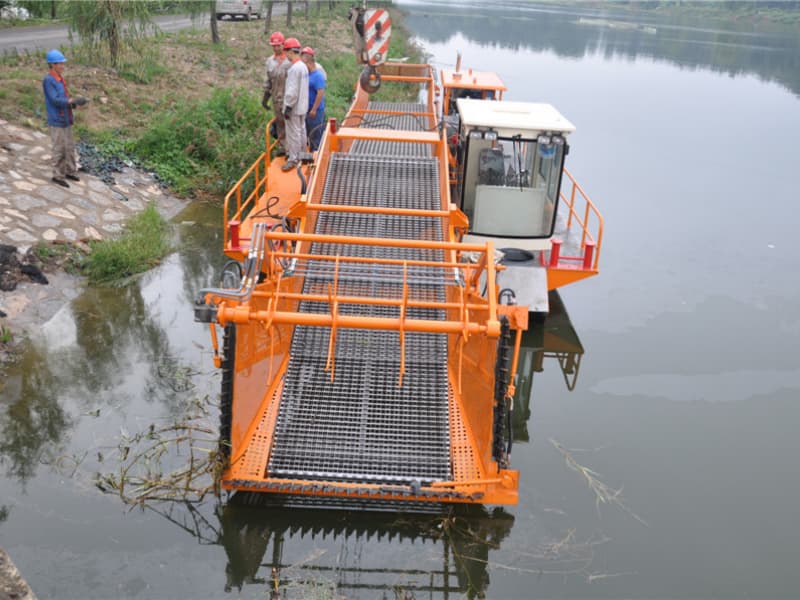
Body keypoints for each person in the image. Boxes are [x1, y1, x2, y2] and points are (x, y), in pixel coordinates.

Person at [42, 49, 86, 188]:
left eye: (62, 63)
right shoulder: (49, 81)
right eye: (60, 63)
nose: (62, 66)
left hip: (66, 118)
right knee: (59, 148)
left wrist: (72, 103)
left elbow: (63, 98)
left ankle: (70, 171)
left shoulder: (60, 79)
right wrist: (71, 100)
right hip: (56, 120)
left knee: (69, 147)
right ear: (52, 65)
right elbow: (55, 100)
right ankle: (58, 175)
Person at [281, 37, 308, 172]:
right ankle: (302, 154)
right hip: (303, 106)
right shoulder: (303, 67)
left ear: (291, 51)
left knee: (293, 133)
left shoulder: (294, 69)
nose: (286, 55)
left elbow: (292, 92)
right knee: (302, 130)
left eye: (286, 52)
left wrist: (288, 107)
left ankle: (293, 159)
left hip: (294, 107)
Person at [262, 31, 291, 155]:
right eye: (273, 46)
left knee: (291, 124)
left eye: (278, 45)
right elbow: (268, 82)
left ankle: (293, 150)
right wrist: (265, 99)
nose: (276, 48)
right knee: (280, 123)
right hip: (276, 99)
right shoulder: (270, 62)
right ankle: (284, 147)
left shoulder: (290, 62)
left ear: (283, 45)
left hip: (289, 98)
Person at [301, 47, 326, 152]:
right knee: (307, 134)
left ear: (308, 62)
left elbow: (320, 93)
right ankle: (309, 154)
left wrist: (314, 109)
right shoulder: (307, 75)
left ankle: (315, 157)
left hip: (315, 111)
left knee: (315, 135)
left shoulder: (318, 76)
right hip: (307, 109)